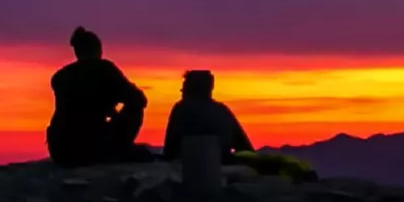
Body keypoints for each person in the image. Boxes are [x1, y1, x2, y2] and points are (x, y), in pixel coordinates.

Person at [46, 27, 149, 167]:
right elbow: (138, 99)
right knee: (136, 108)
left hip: (60, 151)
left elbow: (83, 105)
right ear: (97, 49)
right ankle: (117, 149)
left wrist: (109, 107)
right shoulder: (104, 69)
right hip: (90, 147)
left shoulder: (60, 76)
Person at [162, 70, 252, 163]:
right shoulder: (222, 111)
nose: (182, 92)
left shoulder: (181, 109)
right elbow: (245, 148)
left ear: (189, 89)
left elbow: (169, 150)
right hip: (221, 166)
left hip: (190, 168)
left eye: (183, 88)